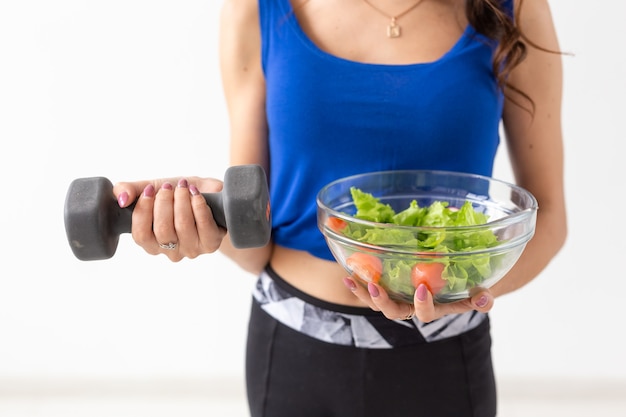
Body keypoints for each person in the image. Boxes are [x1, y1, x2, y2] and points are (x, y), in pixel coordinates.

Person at [113, 0, 567, 415]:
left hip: (444, 357)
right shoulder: (254, 8)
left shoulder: (514, 8)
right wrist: (198, 219)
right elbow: (254, 241)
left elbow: (549, 219)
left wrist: (462, 295)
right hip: (296, 354)